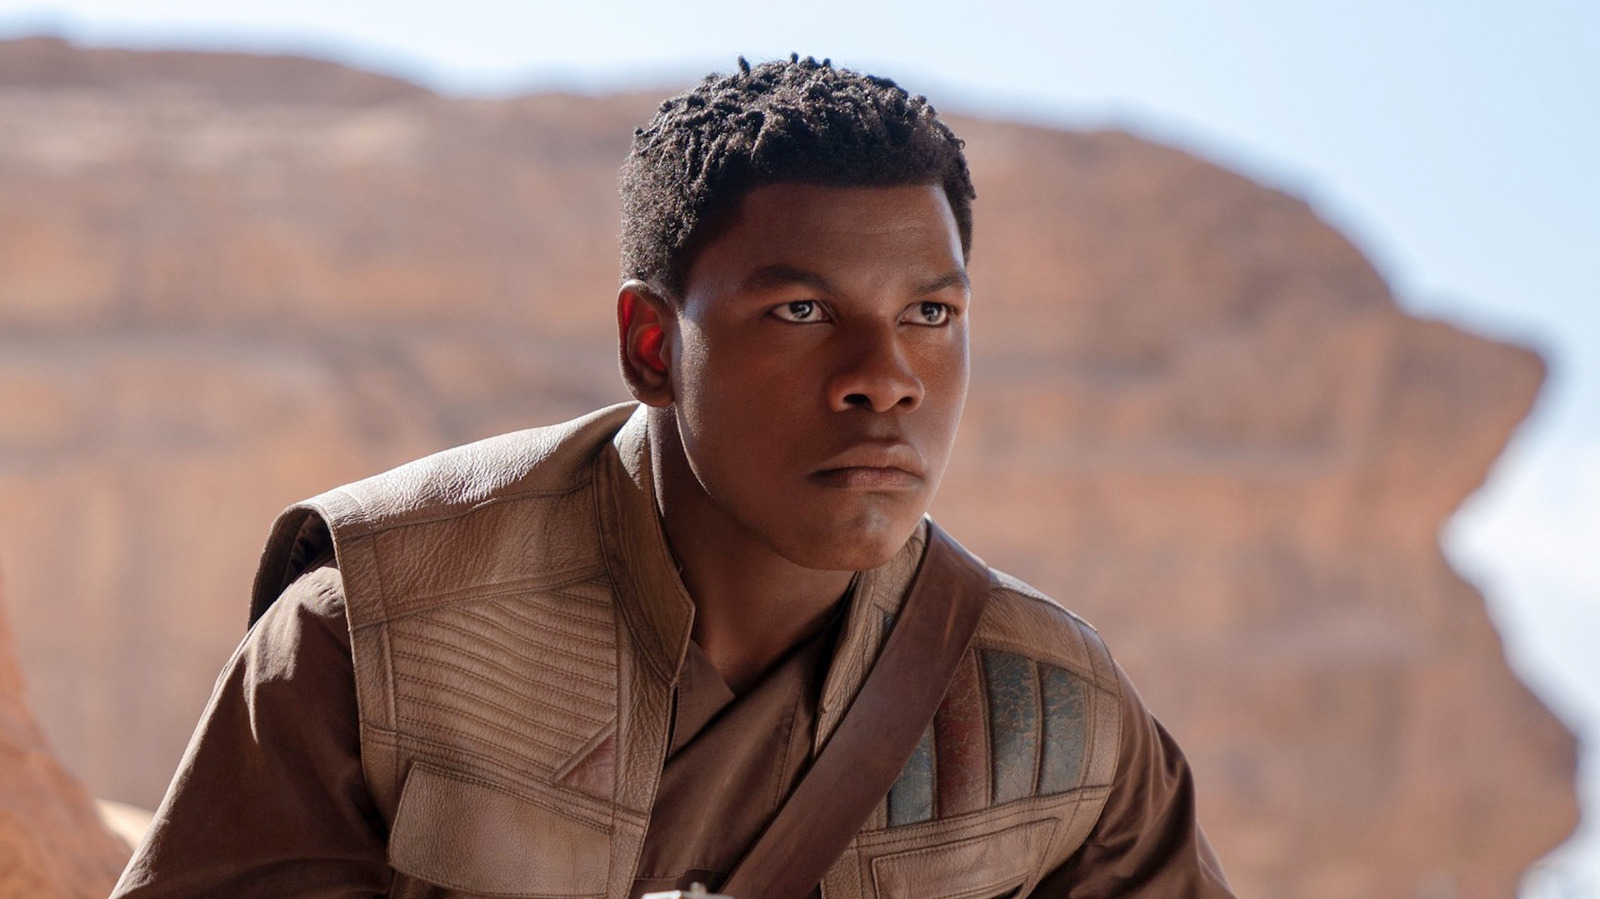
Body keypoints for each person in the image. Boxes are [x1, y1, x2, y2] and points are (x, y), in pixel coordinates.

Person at [112, 55, 1234, 899]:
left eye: (930, 314)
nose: (885, 378)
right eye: (802, 309)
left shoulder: (1054, 711)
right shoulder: (373, 636)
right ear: (652, 346)